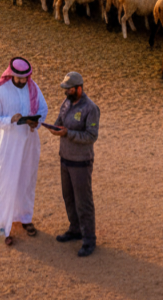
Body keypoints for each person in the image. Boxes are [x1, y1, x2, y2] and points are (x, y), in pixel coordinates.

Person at [0, 56, 48, 246]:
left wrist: (36, 122)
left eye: (25, 78)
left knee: (25, 180)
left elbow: (43, 109)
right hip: (7, 146)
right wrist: (10, 120)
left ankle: (25, 218)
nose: (22, 81)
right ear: (11, 74)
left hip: (28, 142)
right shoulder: (1, 91)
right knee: (4, 182)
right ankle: (1, 227)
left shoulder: (33, 88)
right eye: (19, 78)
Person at [50, 70, 99, 257]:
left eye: (69, 89)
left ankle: (89, 240)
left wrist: (67, 133)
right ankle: (75, 229)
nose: (66, 92)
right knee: (68, 197)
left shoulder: (90, 108)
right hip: (65, 158)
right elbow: (59, 121)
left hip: (81, 162)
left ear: (79, 88)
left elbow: (91, 136)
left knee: (83, 201)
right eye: (65, 89)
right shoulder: (66, 103)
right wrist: (54, 128)